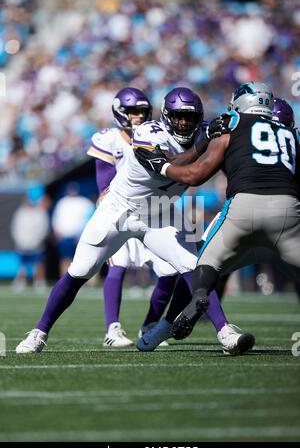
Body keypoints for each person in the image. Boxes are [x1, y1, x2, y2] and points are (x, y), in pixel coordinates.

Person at [15, 87, 253, 355]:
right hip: (119, 209)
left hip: (159, 209)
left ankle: (225, 332)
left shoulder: (205, 132)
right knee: (79, 271)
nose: (184, 123)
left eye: (190, 117)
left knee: (196, 268)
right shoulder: (148, 133)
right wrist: (204, 143)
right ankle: (39, 332)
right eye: (178, 116)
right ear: (165, 116)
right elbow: (180, 169)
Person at [134, 82, 300, 342]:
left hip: (244, 210)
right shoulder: (291, 137)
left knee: (200, 266)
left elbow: (195, 174)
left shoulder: (232, 122)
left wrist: (163, 167)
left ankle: (181, 314)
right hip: (288, 214)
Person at [87, 86, 174, 347]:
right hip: (121, 209)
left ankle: (150, 326)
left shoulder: (157, 136)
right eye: (133, 111)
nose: (138, 117)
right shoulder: (107, 139)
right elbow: (104, 185)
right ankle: (112, 330)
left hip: (154, 211)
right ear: (120, 113)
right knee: (119, 265)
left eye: (142, 112)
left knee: (169, 272)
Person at [11, 184, 49, 291]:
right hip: (22, 243)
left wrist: (37, 240)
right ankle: (20, 281)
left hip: (36, 243)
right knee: (22, 264)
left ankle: (39, 281)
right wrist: (20, 240)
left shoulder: (40, 212)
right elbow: (15, 227)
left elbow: (43, 228)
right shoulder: (20, 212)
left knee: (39, 263)